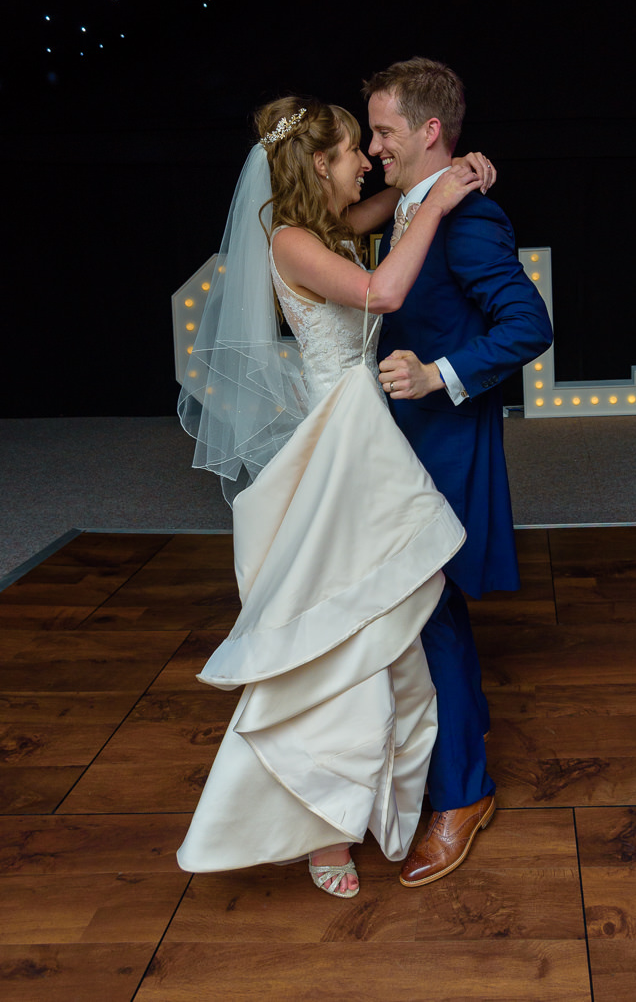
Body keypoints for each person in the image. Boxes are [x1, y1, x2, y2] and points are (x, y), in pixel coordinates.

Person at [176, 96, 495, 897]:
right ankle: (320, 831)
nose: (367, 163)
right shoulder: (290, 240)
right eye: (356, 149)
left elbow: (398, 197)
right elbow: (382, 293)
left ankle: (375, 798)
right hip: (337, 447)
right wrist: (434, 205)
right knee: (339, 637)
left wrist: (449, 176)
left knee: (385, 626)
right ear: (321, 163)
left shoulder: (329, 223)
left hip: (365, 438)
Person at [362, 58, 553, 887]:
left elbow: (527, 323)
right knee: (421, 616)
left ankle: (464, 794)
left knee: (428, 611)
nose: (372, 148)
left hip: (437, 445)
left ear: (429, 132)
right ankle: (448, 774)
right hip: (389, 442)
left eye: (384, 133)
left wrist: (438, 373)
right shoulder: (413, 203)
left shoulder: (469, 218)